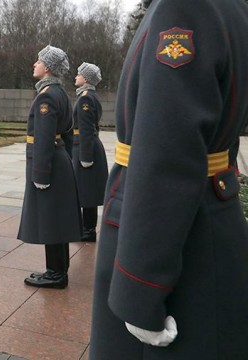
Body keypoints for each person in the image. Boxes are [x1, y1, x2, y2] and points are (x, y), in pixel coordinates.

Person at [90, 0, 248, 358]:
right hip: (210, 218)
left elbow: (166, 150)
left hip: (177, 239)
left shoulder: (185, 8)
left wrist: (140, 290)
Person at [17, 45, 81, 289]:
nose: (35, 63)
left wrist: (41, 173)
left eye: (39, 61)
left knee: (51, 219)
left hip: (49, 163)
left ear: (48, 68)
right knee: (56, 218)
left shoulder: (46, 96)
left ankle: (56, 273)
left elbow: (43, 137)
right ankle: (57, 270)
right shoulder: (59, 93)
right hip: (58, 159)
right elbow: (65, 134)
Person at [72, 62, 108, 242]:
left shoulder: (85, 98)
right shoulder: (90, 95)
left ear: (86, 78)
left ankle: (87, 231)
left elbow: (86, 129)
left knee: (86, 193)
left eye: (79, 74)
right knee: (87, 192)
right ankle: (88, 229)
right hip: (88, 145)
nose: (76, 76)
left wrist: (85, 157)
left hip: (85, 147)